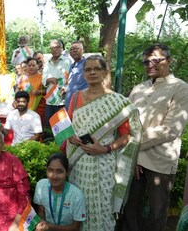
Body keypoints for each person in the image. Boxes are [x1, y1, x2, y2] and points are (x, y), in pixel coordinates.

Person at [66, 55, 142, 231]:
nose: (91, 72)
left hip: (104, 162)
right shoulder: (76, 97)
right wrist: (70, 137)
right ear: (83, 73)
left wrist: (105, 148)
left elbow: (126, 136)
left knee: (103, 205)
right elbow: (67, 125)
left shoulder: (117, 102)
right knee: (79, 203)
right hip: (79, 162)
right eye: (87, 69)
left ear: (105, 72)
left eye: (96, 69)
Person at [122, 44, 188, 231]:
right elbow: (125, 118)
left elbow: (171, 129)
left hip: (160, 159)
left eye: (156, 60)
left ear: (169, 60)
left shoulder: (180, 88)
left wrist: (133, 145)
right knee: (130, 206)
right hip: (134, 158)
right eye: (146, 62)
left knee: (157, 210)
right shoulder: (138, 89)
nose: (150, 65)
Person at [34, 153, 86, 231]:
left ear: (67, 172)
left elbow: (76, 227)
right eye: (50, 170)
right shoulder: (41, 185)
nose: (54, 176)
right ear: (46, 170)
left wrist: (49, 226)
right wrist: (41, 225)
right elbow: (41, 212)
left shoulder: (76, 195)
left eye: (60, 171)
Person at [42, 39, 71, 128]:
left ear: (61, 48)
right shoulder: (47, 63)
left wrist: (66, 87)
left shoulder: (67, 61)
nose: (54, 49)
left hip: (61, 100)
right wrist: (49, 79)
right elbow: (43, 81)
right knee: (48, 126)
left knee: (61, 127)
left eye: (57, 47)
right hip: (50, 100)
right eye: (52, 48)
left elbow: (70, 78)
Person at [16, 57, 46, 126]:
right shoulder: (23, 78)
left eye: (33, 65)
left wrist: (39, 92)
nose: (31, 67)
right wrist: (15, 100)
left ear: (37, 66)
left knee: (37, 129)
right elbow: (18, 90)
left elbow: (48, 91)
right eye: (29, 65)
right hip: (24, 107)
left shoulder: (42, 77)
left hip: (38, 108)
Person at [64, 41, 88, 111]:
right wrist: (66, 88)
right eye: (71, 49)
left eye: (77, 48)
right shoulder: (72, 66)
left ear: (82, 50)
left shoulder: (87, 64)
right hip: (70, 105)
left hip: (82, 106)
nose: (74, 50)